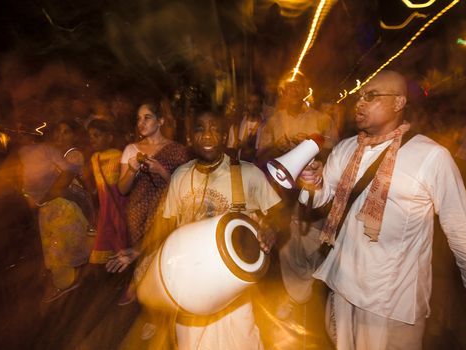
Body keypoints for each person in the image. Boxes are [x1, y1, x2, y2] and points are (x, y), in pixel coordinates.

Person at [298, 70, 466, 350]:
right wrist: (313, 183)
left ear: (399, 103)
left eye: (371, 96)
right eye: (360, 95)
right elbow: (323, 196)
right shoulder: (347, 148)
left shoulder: (431, 157)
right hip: (343, 284)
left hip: (390, 299)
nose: (359, 102)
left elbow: (461, 227)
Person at [159, 107, 282, 349]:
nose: (207, 135)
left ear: (226, 138)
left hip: (234, 291)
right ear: (189, 138)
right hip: (190, 284)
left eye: (216, 130)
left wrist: (271, 230)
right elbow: (167, 227)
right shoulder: (179, 177)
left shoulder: (247, 174)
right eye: (200, 129)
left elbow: (277, 213)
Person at [257, 71, 337, 320]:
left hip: (315, 191)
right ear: (283, 92)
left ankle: (322, 291)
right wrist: (276, 146)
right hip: (285, 192)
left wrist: (312, 146)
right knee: (288, 243)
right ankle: (295, 296)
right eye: (288, 88)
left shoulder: (322, 119)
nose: (293, 92)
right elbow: (260, 153)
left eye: (297, 88)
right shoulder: (274, 120)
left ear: (305, 91)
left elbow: (337, 152)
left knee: (317, 239)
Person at [19, 121, 94, 302]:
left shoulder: (74, 155)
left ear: (74, 135)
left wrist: (39, 200)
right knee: (61, 252)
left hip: (68, 210)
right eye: (58, 132)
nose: (61, 136)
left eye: (66, 131)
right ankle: (72, 287)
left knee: (63, 252)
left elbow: (62, 184)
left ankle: (68, 288)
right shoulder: (50, 154)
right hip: (54, 210)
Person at [114, 100, 189, 273]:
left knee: (167, 262)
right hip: (138, 214)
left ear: (160, 121)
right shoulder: (131, 149)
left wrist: (161, 171)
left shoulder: (177, 150)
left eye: (147, 118)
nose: (141, 123)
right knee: (143, 265)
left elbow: (184, 189)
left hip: (167, 215)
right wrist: (132, 170)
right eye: (138, 119)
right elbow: (122, 189)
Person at [86, 119, 129, 268]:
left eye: (96, 135)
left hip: (119, 209)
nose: (92, 139)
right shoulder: (94, 158)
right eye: (90, 136)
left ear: (109, 137)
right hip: (105, 212)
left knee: (121, 245)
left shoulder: (119, 156)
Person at [226, 91, 266, 162]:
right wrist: (237, 147)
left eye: (256, 102)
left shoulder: (267, 127)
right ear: (247, 105)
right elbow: (230, 152)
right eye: (250, 102)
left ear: (261, 105)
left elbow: (267, 153)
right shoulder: (236, 126)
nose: (253, 105)